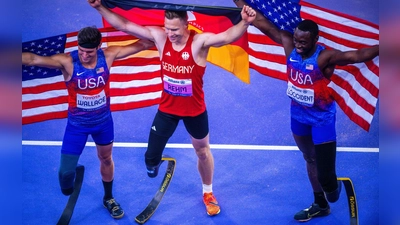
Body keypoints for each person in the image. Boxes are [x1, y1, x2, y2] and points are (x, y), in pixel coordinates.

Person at [88, 0, 256, 216]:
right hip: (167, 110)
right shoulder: (160, 37)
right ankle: (154, 163)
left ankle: (208, 193)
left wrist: (245, 22)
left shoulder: (199, 42)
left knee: (203, 152)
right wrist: (99, 7)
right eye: (167, 28)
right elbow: (124, 26)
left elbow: (226, 37)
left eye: (174, 29)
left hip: (194, 110)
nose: (170, 33)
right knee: (150, 160)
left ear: (186, 24)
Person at [233, 0, 379, 222]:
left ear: (315, 40)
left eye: (303, 42)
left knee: (329, 183)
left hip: (322, 120)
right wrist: (241, 4)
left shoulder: (324, 58)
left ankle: (331, 189)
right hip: (298, 118)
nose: (298, 45)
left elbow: (356, 56)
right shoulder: (290, 45)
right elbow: (264, 25)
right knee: (310, 159)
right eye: (296, 40)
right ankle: (320, 204)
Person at [22, 26, 154, 219]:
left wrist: (166, 34)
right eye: (81, 50)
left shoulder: (107, 56)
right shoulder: (68, 62)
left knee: (106, 159)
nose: (84, 55)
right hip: (77, 127)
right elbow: (33, 59)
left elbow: (142, 43)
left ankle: (108, 198)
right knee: (65, 175)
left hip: (103, 124)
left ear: (98, 47)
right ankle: (68, 181)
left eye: (89, 52)